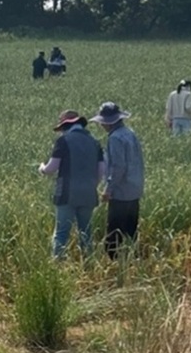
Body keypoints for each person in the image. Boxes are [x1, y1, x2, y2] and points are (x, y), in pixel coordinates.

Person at [38, 110, 105, 259]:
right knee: (86, 232)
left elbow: (51, 168)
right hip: (88, 193)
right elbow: (101, 170)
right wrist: (92, 185)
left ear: (66, 126)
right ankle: (89, 265)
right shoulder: (95, 142)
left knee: (61, 232)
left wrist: (42, 168)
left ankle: (58, 265)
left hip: (67, 194)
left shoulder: (63, 141)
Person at [90, 102, 144, 260]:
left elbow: (118, 166)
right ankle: (133, 260)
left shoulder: (115, 138)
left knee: (114, 233)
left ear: (108, 122)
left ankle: (114, 263)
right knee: (131, 230)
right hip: (134, 189)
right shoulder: (130, 133)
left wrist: (108, 189)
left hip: (120, 192)